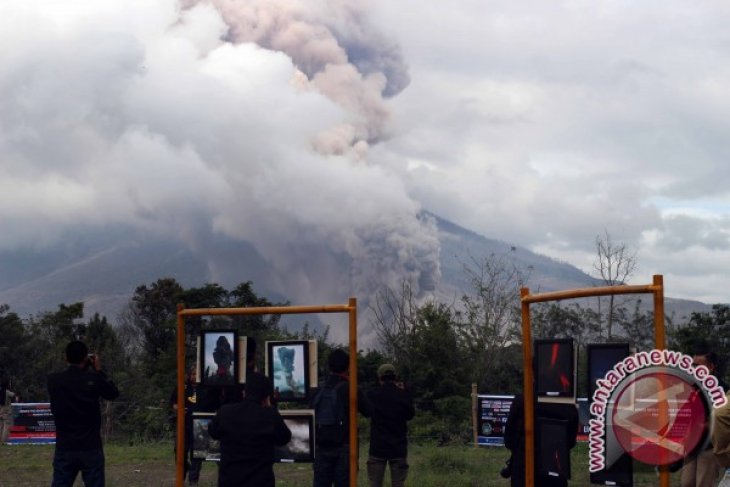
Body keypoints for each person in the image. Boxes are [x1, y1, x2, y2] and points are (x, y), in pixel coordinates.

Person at [47, 341, 119, 487]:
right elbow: (112, 393)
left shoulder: (54, 381)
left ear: (66, 358)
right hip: (90, 445)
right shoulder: (93, 379)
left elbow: (71, 381)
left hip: (65, 445)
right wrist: (98, 370)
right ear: (86, 358)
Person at [208, 371, 291, 487]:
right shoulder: (270, 415)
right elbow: (284, 438)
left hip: (229, 481)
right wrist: (270, 406)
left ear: (244, 392)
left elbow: (213, 432)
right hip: (261, 482)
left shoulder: (225, 412)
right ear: (267, 396)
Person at [311, 348, 370, 487]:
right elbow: (368, 410)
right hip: (345, 448)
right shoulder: (350, 388)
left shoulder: (318, 389)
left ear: (329, 366)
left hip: (321, 448)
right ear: (348, 366)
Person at [503, 394, 579, 487]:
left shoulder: (522, 399)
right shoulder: (566, 402)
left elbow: (509, 440)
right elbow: (570, 441)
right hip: (555, 469)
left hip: (524, 470)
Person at [680, 349, 726, 487]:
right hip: (691, 446)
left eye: (698, 366)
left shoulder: (722, 390)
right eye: (693, 366)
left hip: (710, 447)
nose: (694, 370)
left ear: (711, 367)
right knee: (687, 483)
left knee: (703, 483)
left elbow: (720, 420)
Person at [365, 364, 415, 487]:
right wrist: (407, 392)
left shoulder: (372, 394)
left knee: (375, 484)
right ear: (396, 377)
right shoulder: (402, 394)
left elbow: (366, 411)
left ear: (380, 378)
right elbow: (410, 415)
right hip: (398, 447)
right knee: (398, 484)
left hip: (377, 447)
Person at [170, 368, 204, 485]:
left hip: (200, 424)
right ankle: (183, 474)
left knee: (197, 454)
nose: (195, 376)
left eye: (197, 374)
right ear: (189, 375)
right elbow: (173, 403)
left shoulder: (205, 388)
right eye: (193, 373)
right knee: (180, 451)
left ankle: (193, 480)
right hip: (184, 424)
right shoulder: (183, 387)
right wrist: (178, 409)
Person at [0, 379, 18, 444]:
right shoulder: (7, 392)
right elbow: (14, 395)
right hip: (7, 412)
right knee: (6, 427)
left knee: (1, 427)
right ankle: (4, 441)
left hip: (0, 412)